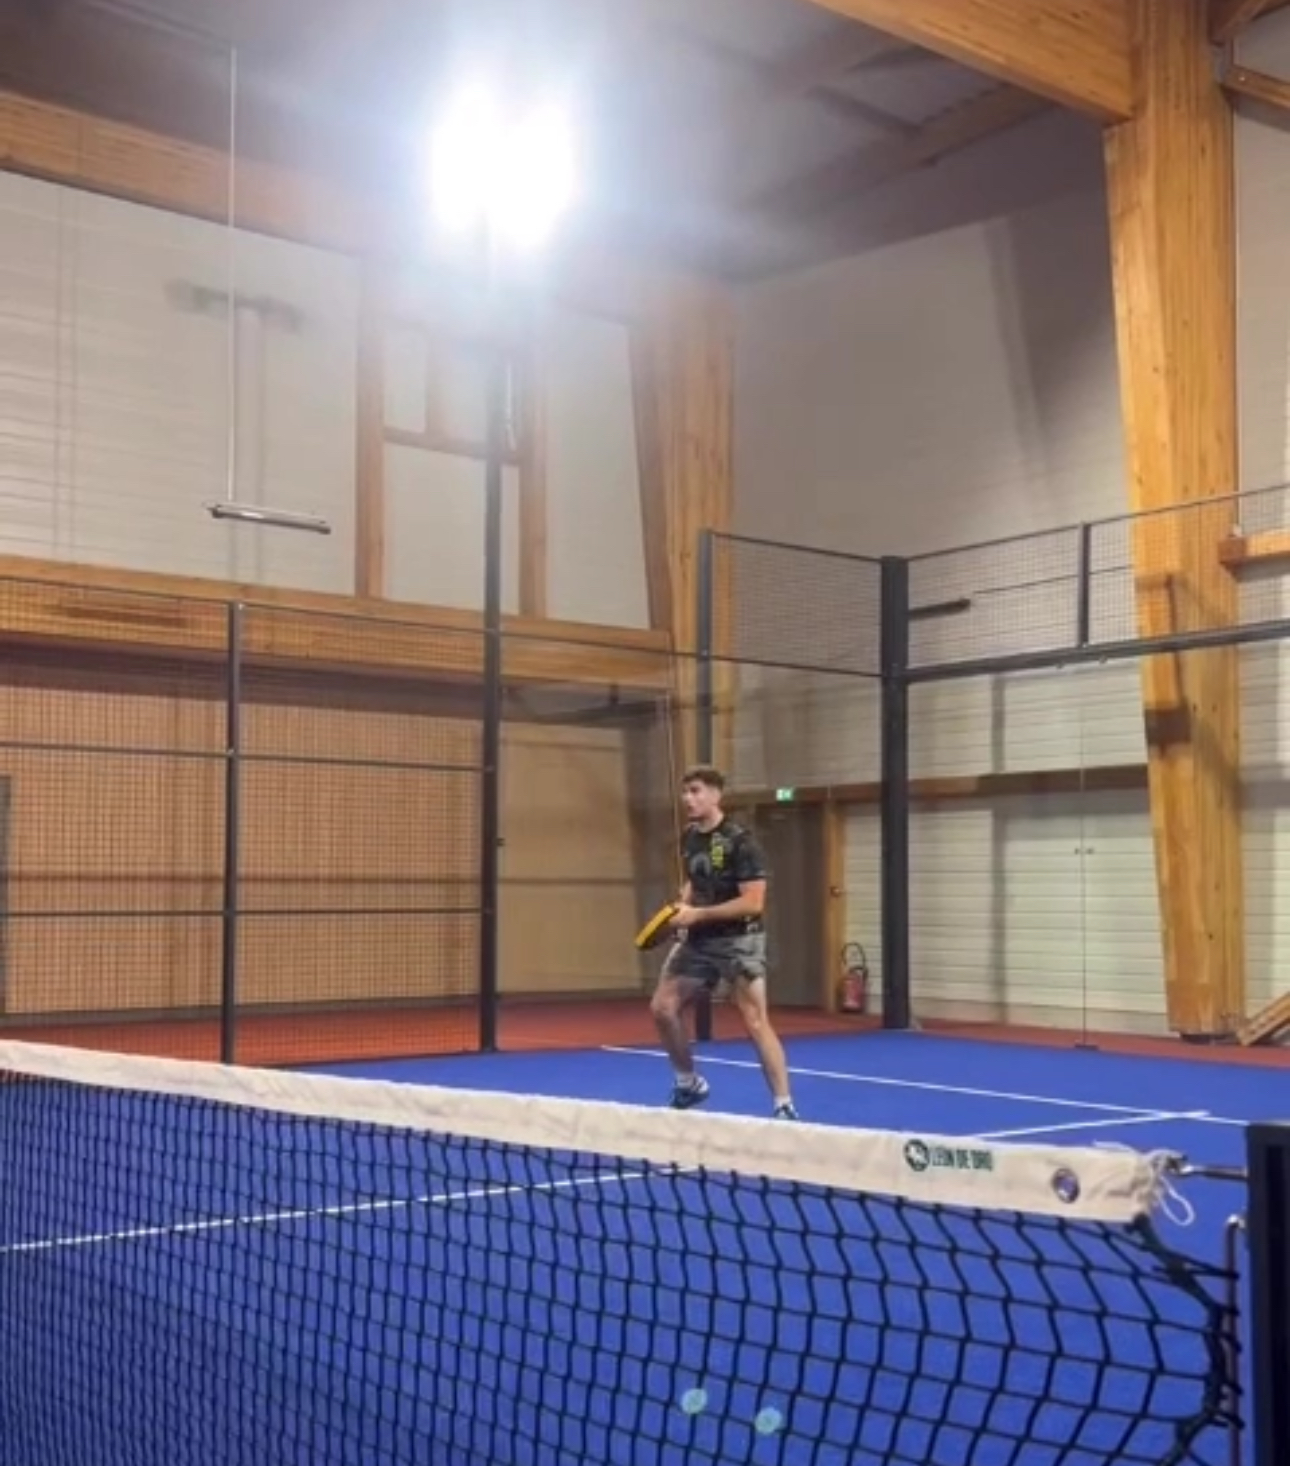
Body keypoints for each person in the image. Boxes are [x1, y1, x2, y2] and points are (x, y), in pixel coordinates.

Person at [650, 764, 799, 1120]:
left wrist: (698, 915)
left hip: (739, 940)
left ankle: (784, 1105)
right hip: (699, 940)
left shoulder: (741, 842)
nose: (688, 799)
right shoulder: (689, 837)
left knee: (755, 1020)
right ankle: (689, 1083)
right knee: (663, 1007)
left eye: (696, 791)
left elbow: (753, 902)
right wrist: (683, 907)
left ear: (716, 795)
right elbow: (694, 880)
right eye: (685, 792)